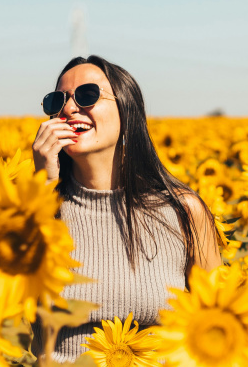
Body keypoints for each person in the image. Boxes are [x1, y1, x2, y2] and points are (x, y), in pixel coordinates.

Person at [31, 55, 221, 363]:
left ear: (126, 109)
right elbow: (4, 313)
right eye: (58, 100)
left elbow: (217, 321)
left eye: (87, 95)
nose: (68, 108)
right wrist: (40, 191)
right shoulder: (34, 210)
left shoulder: (183, 211)